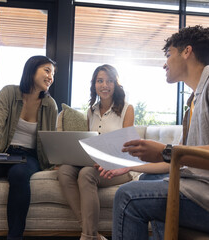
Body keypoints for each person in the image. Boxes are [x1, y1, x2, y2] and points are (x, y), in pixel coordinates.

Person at [99, 25, 209, 239]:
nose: (164, 63)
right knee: (146, 180)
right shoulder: (194, 102)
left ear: (187, 52)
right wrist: (126, 166)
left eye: (168, 54)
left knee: (128, 197)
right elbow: (180, 161)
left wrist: (167, 150)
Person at [0, 55, 58, 240]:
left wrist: (57, 161)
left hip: (29, 156)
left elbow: (50, 139)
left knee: (19, 175)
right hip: (3, 151)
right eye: (47, 70)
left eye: (53, 74)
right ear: (32, 70)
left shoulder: (50, 105)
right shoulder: (8, 93)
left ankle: (15, 237)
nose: (51, 77)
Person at [58, 64, 135, 240]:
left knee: (86, 174)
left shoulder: (126, 108)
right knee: (64, 171)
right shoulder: (91, 111)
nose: (104, 85)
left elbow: (128, 146)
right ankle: (94, 234)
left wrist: (106, 159)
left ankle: (87, 236)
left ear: (116, 84)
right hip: (94, 162)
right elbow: (90, 143)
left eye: (109, 81)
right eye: (100, 81)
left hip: (120, 166)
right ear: (94, 84)